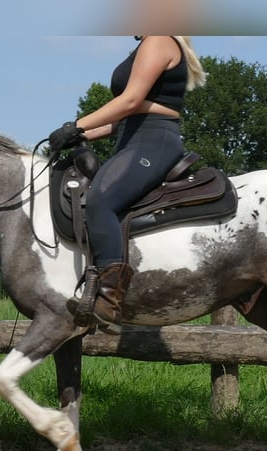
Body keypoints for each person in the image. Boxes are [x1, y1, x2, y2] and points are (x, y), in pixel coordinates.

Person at [49, 35, 207, 330]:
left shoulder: (159, 39)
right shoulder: (147, 44)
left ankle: (109, 298)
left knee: (102, 198)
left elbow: (130, 100)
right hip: (133, 138)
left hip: (152, 141)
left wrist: (77, 124)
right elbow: (125, 116)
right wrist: (79, 136)